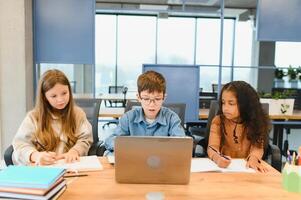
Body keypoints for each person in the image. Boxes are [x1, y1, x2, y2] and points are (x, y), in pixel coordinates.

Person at [12, 69, 93, 165]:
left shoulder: (77, 114)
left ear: (70, 91)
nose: (60, 100)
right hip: (43, 170)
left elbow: (85, 139)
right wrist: (36, 155)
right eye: (53, 96)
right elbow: (20, 144)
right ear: (44, 97)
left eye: (64, 93)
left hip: (71, 167)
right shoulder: (33, 117)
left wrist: (75, 151)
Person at [104, 70, 185, 155]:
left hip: (161, 163)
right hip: (134, 161)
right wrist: (130, 147)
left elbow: (181, 144)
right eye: (146, 99)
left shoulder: (172, 118)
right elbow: (110, 140)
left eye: (157, 99)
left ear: (164, 98)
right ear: (138, 97)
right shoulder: (128, 118)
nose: (152, 104)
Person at [207, 81, 270, 172]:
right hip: (224, 169)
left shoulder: (255, 122)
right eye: (223, 103)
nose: (225, 108)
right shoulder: (218, 121)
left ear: (245, 104)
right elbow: (212, 147)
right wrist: (218, 158)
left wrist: (253, 159)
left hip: (246, 169)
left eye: (231, 103)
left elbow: (257, 148)